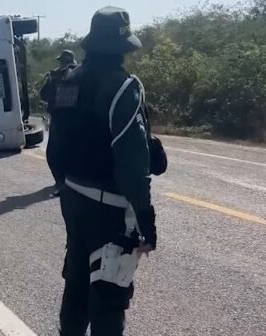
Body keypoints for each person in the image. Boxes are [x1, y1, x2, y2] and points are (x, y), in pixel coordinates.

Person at [52, 6, 166, 336]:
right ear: (122, 48)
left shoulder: (68, 81)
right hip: (111, 208)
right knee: (109, 294)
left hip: (73, 198)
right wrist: (147, 221)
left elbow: (54, 150)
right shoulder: (122, 87)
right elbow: (133, 165)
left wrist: (66, 186)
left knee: (76, 284)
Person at [40, 49, 77, 197]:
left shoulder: (70, 74)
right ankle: (65, 181)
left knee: (56, 152)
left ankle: (63, 182)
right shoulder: (78, 73)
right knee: (62, 151)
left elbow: (44, 95)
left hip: (63, 118)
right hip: (69, 117)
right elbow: (44, 95)